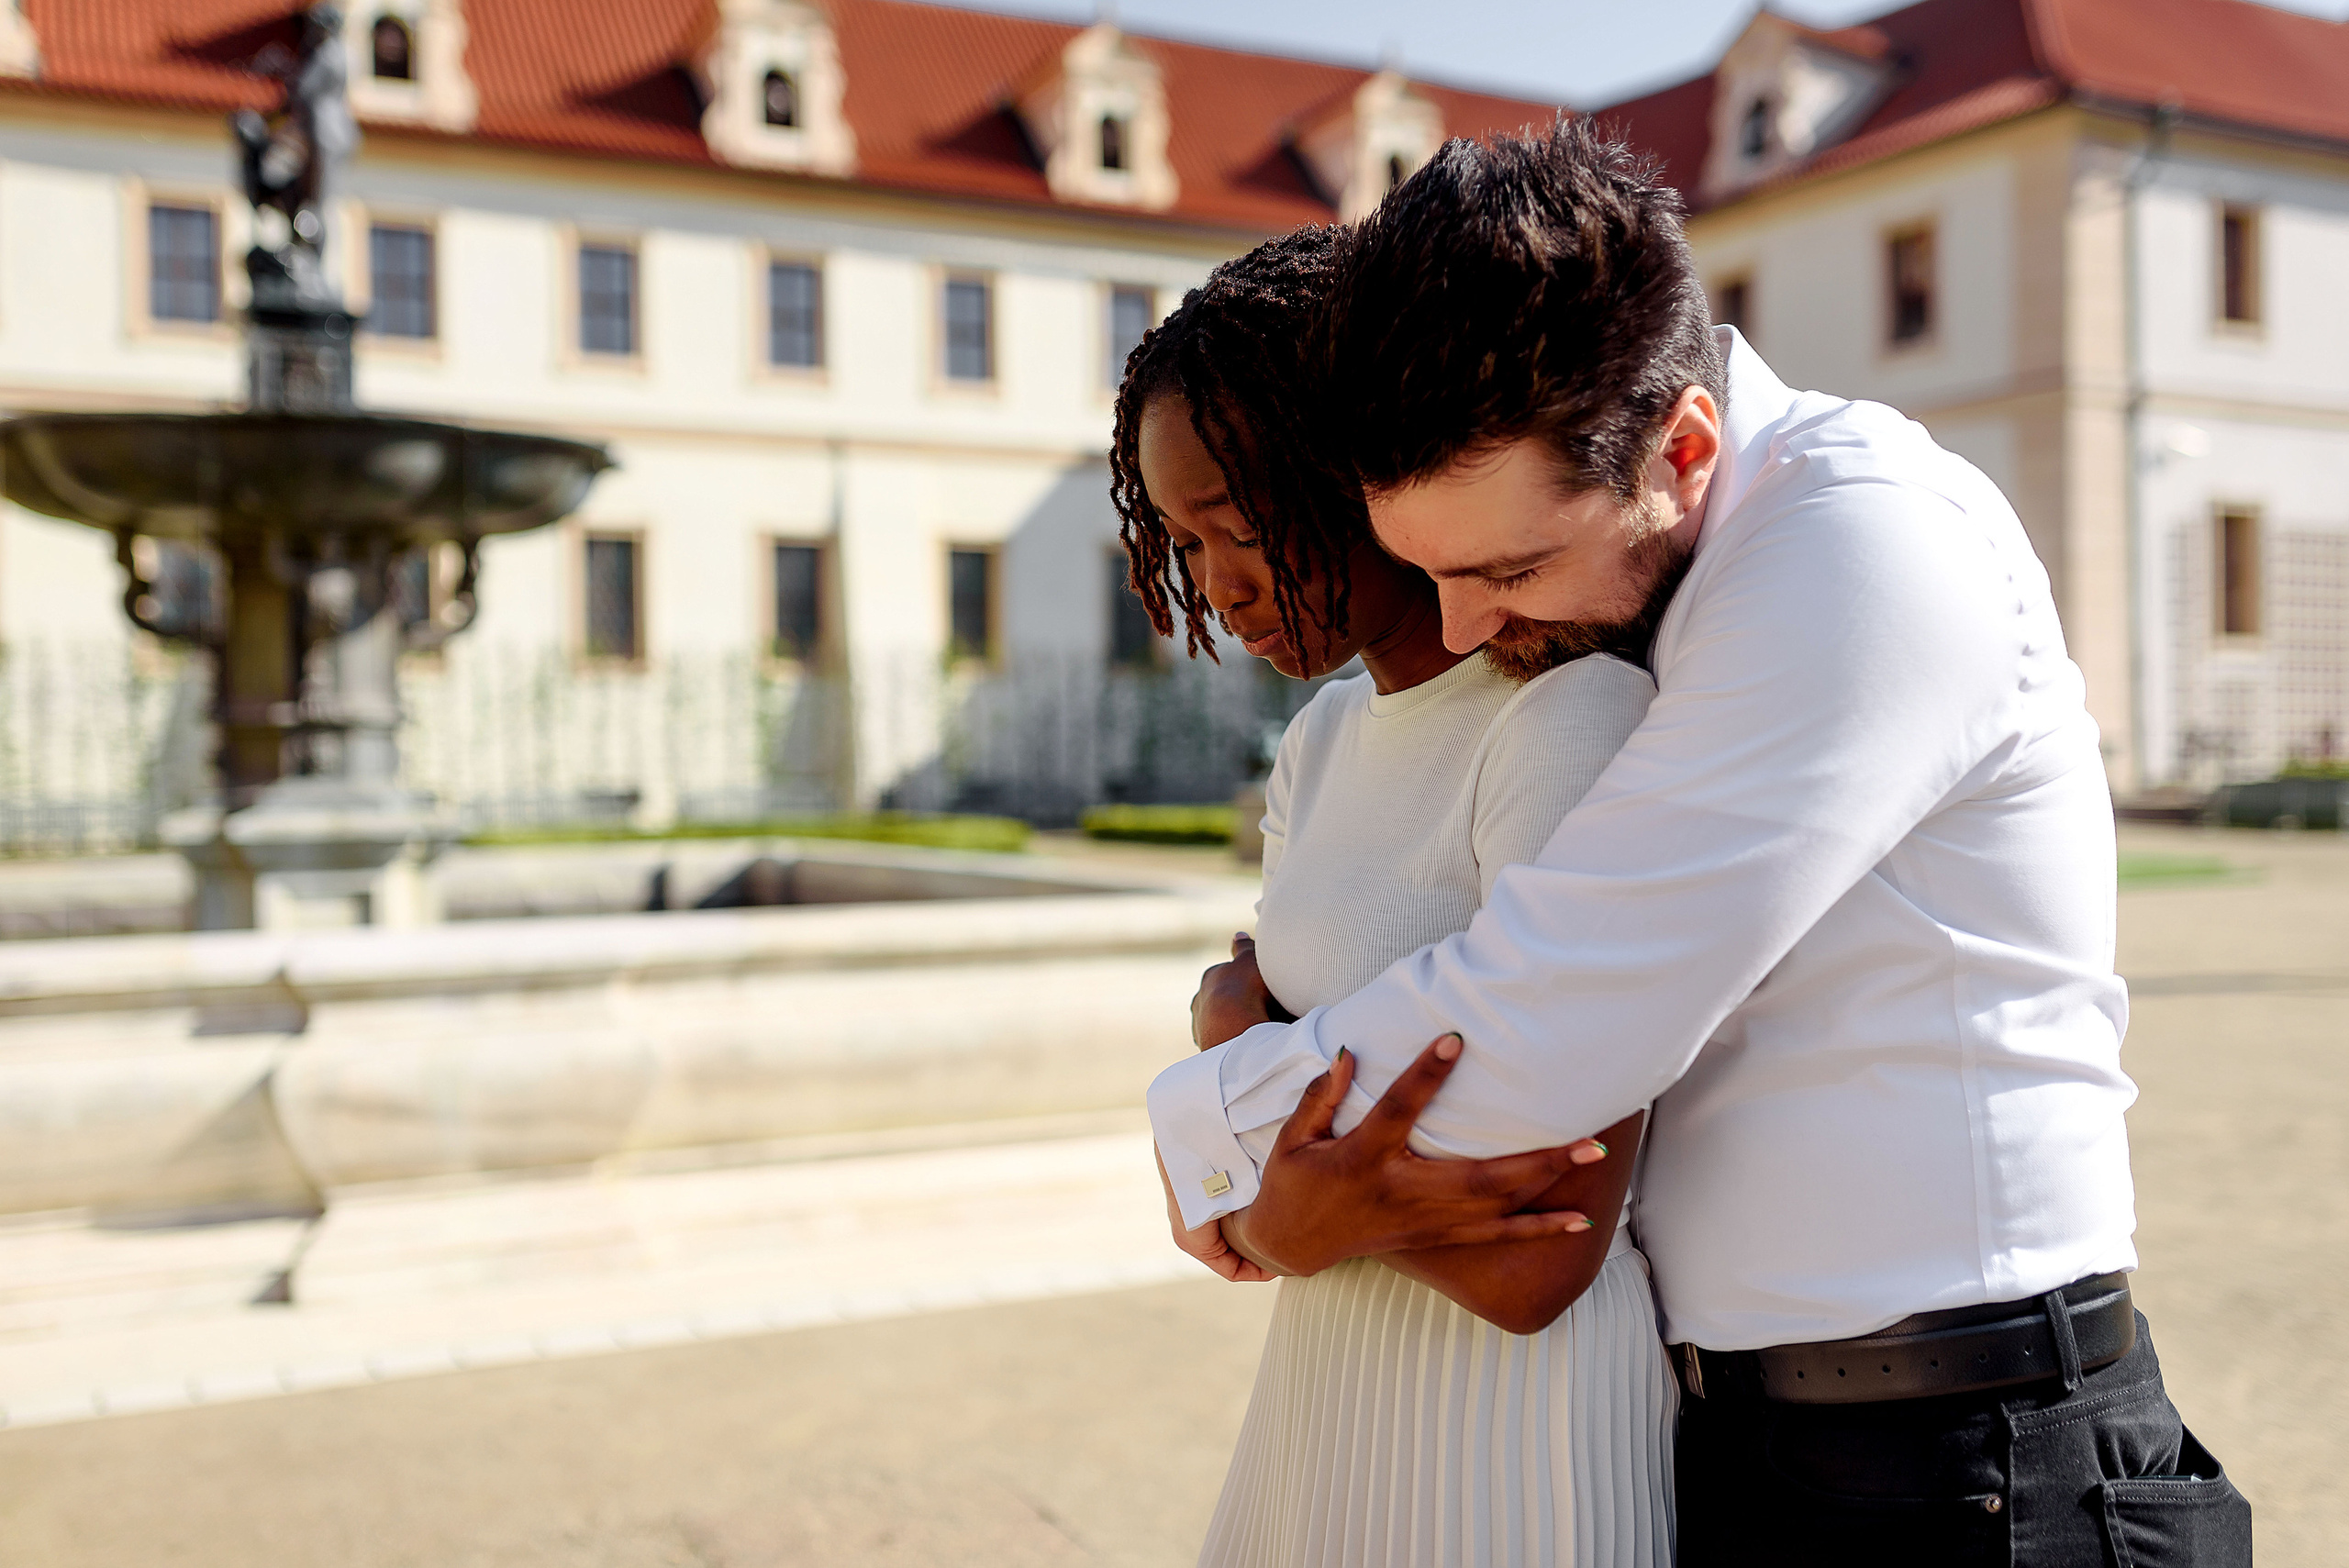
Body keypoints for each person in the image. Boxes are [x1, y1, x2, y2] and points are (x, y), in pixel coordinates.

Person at [1151, 123, 2254, 1565]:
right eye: (1431, 572)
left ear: (1682, 447)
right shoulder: (1638, 580)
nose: (1468, 626)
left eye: (1505, 569)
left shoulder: (1860, 547)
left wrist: (1218, 1095)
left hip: (1979, 1466)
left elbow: (1549, 1017)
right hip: (1752, 1447)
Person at [1116, 228, 1675, 1566]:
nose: (1218, 587)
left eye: (1240, 524)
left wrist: (1236, 1074)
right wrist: (1271, 1173)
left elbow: (1542, 1258)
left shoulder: (1566, 719)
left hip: (1514, 1427)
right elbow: (1247, 1185)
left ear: (1360, 465)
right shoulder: (1318, 744)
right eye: (1185, 542)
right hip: (1327, 1397)